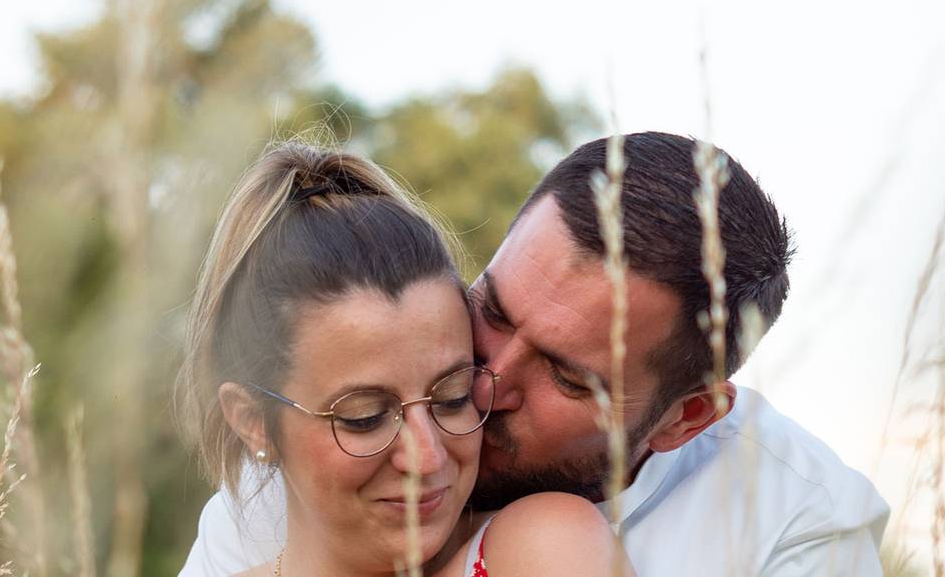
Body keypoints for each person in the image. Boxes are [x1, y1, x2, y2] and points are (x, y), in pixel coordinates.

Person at [182, 132, 889, 576]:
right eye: (491, 308)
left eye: (564, 375)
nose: (487, 381)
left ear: (686, 418)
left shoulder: (798, 530)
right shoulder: (271, 492)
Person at [175, 142, 625, 576]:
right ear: (252, 420)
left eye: (452, 397)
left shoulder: (542, 547)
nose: (428, 458)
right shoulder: (223, 547)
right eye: (365, 417)